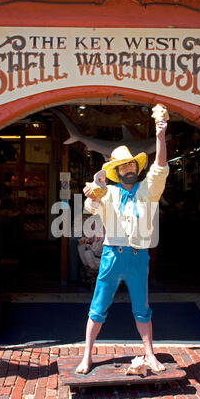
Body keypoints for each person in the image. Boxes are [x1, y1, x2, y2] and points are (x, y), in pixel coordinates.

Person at [76, 113, 169, 374]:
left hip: (138, 256)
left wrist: (160, 135)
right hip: (111, 256)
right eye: (123, 166)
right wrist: (93, 195)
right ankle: (87, 356)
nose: (128, 169)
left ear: (136, 168)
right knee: (98, 306)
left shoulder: (147, 190)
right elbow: (91, 206)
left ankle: (149, 354)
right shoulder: (110, 192)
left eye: (131, 165)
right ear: (116, 171)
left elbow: (160, 167)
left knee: (142, 307)